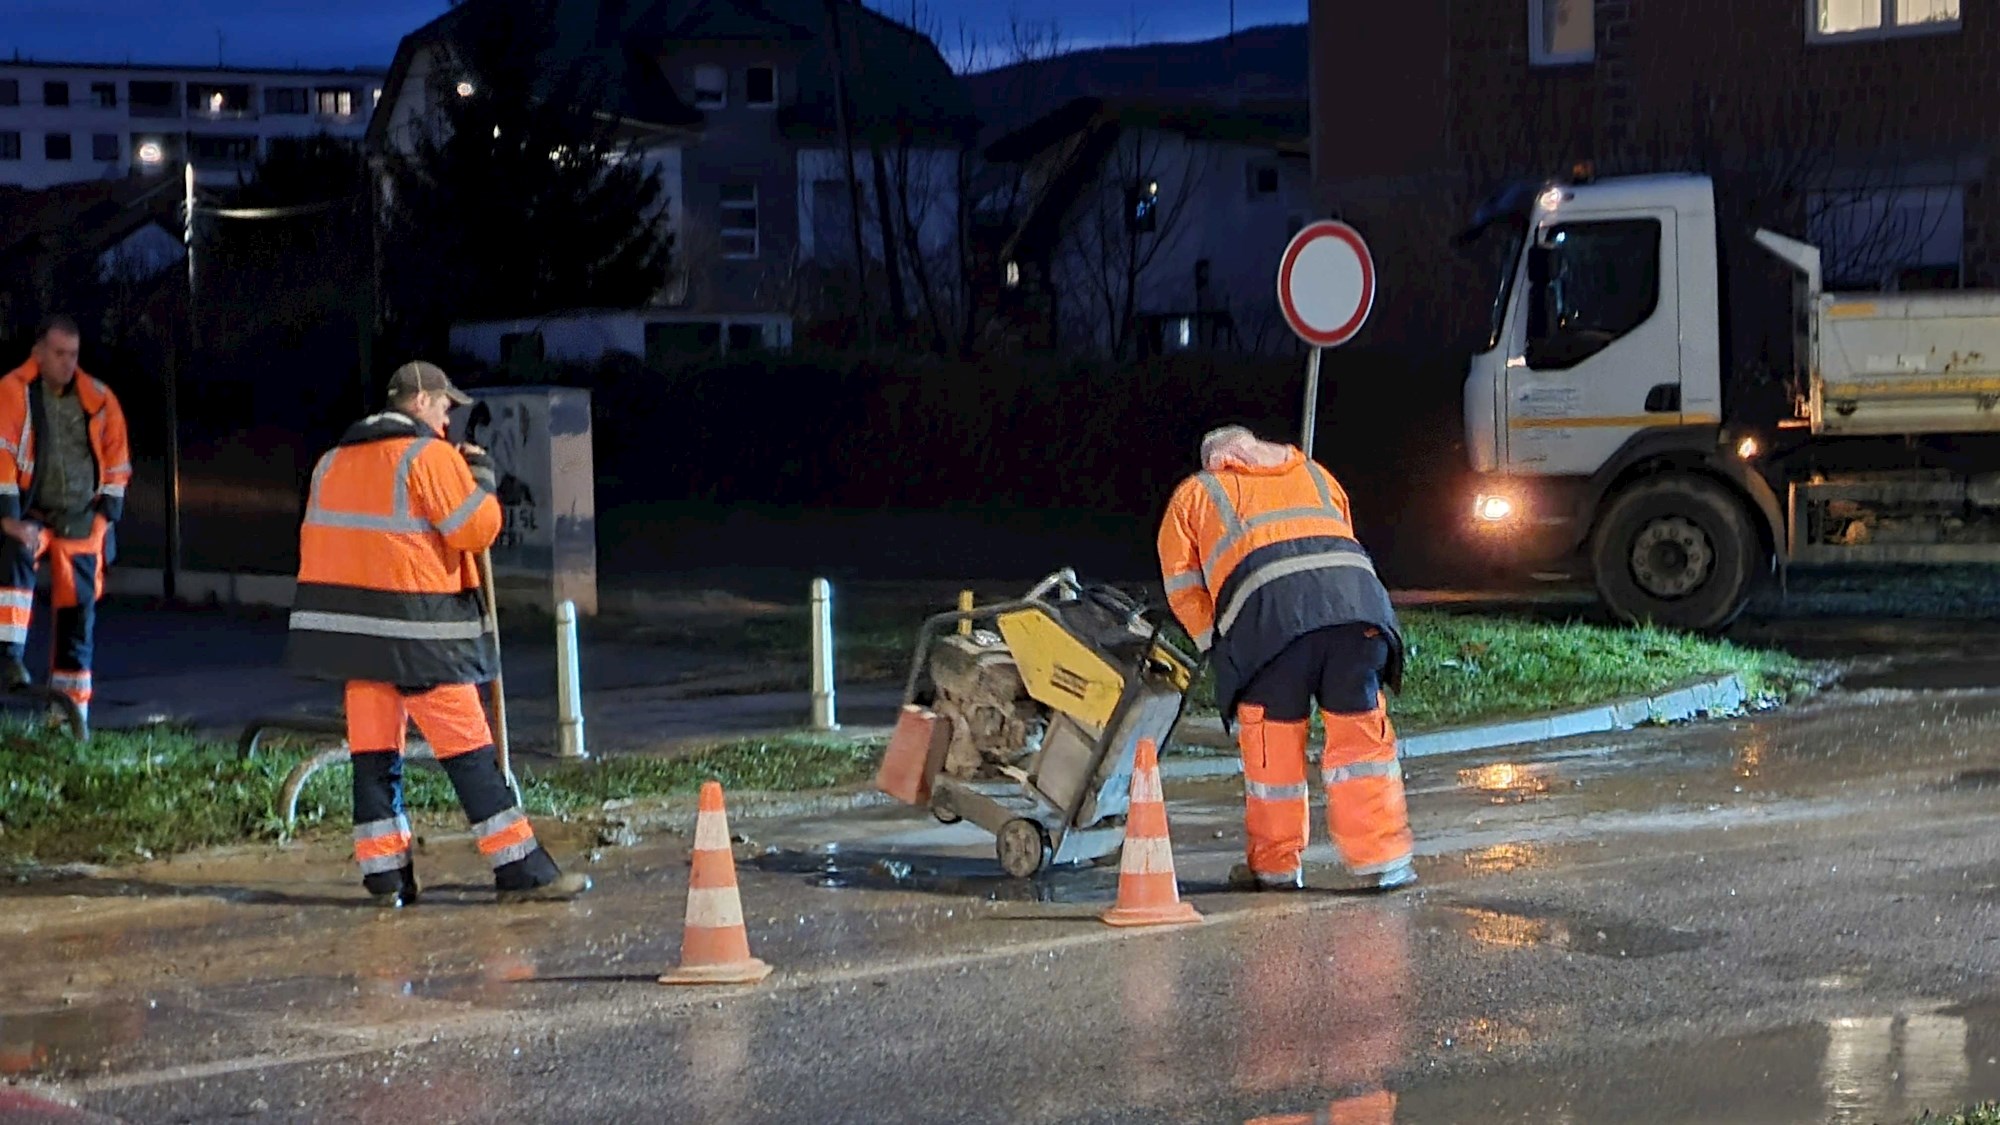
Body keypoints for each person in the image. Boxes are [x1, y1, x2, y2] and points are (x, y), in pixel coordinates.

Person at [285, 361, 587, 907]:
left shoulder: (330, 463)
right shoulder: (428, 457)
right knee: (471, 755)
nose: (449, 417)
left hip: (354, 640)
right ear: (420, 400)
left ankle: (386, 880)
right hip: (422, 637)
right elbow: (475, 529)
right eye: (445, 405)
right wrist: (484, 480)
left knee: (374, 760)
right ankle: (520, 870)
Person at [1155, 424, 1416, 892]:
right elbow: (1339, 539)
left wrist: (1213, 643)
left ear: (1216, 459)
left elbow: (1182, 584)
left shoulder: (1197, 492)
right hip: (1359, 617)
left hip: (1270, 628)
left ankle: (1276, 867)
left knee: (1273, 754)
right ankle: (1383, 861)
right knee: (1361, 746)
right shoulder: (1316, 475)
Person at [0, 314, 133, 731]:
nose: (67, 363)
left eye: (73, 355)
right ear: (38, 352)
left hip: (80, 521)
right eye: (59, 354)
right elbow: (2, 457)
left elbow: (118, 464)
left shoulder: (99, 398)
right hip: (31, 513)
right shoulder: (13, 392)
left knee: (78, 618)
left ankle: (69, 720)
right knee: (14, 557)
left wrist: (103, 521)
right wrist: (9, 521)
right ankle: (8, 659)